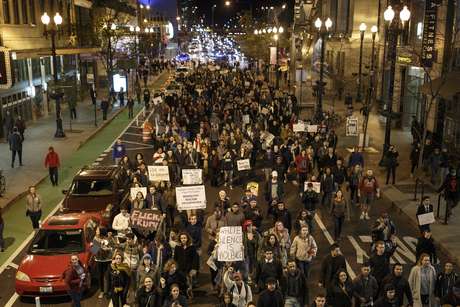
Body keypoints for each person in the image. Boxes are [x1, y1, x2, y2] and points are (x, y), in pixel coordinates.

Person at [92, 226, 115, 299]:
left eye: (97, 230)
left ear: (101, 231)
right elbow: (94, 251)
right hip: (99, 260)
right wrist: (96, 248)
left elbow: (113, 248)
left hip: (107, 260)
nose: (96, 231)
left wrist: (108, 249)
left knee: (108, 276)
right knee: (100, 276)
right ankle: (102, 291)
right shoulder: (95, 239)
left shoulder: (108, 238)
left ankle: (109, 291)